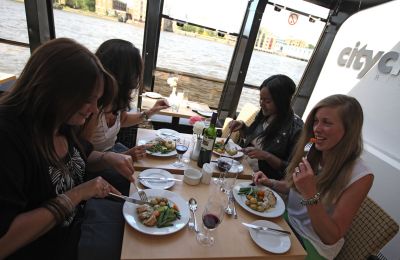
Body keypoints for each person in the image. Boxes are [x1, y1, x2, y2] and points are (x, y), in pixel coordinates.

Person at [0, 38, 134, 259]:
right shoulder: (9, 136)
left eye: (97, 100)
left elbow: (81, 157)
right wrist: (77, 194)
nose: (93, 109)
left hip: (80, 220)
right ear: (54, 89)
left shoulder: (62, 121)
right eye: (88, 100)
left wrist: (108, 158)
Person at [253, 94, 374, 259]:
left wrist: (310, 193)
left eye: (327, 123)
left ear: (349, 130)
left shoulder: (361, 175)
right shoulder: (311, 147)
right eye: (316, 121)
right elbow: (294, 187)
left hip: (314, 245)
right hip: (287, 222)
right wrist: (271, 182)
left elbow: (330, 237)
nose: (317, 128)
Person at [83, 39, 169, 160]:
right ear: (123, 76)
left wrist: (151, 111)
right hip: (95, 167)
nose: (137, 79)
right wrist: (124, 156)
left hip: (113, 153)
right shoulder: (92, 109)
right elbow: (81, 156)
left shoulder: (115, 100)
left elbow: (123, 120)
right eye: (135, 73)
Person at [229, 74, 303, 180]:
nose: (262, 104)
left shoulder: (296, 128)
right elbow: (252, 138)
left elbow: (292, 169)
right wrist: (242, 126)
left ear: (282, 102)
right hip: (243, 167)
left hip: (262, 180)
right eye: (261, 99)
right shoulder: (264, 114)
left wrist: (266, 156)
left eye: (267, 101)